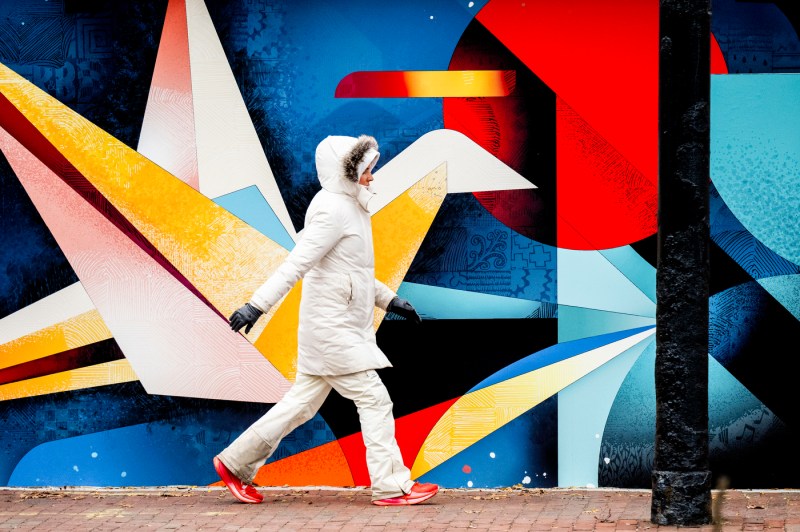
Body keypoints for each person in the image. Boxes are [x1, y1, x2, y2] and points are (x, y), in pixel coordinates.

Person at [214, 134, 439, 506]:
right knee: (375, 399)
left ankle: (234, 463)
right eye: (367, 170)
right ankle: (391, 486)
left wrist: (390, 300)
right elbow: (297, 263)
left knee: (300, 405)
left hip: (336, 328)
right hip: (332, 331)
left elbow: (354, 271)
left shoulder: (349, 206)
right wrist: (256, 305)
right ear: (347, 171)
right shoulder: (332, 210)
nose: (372, 176)